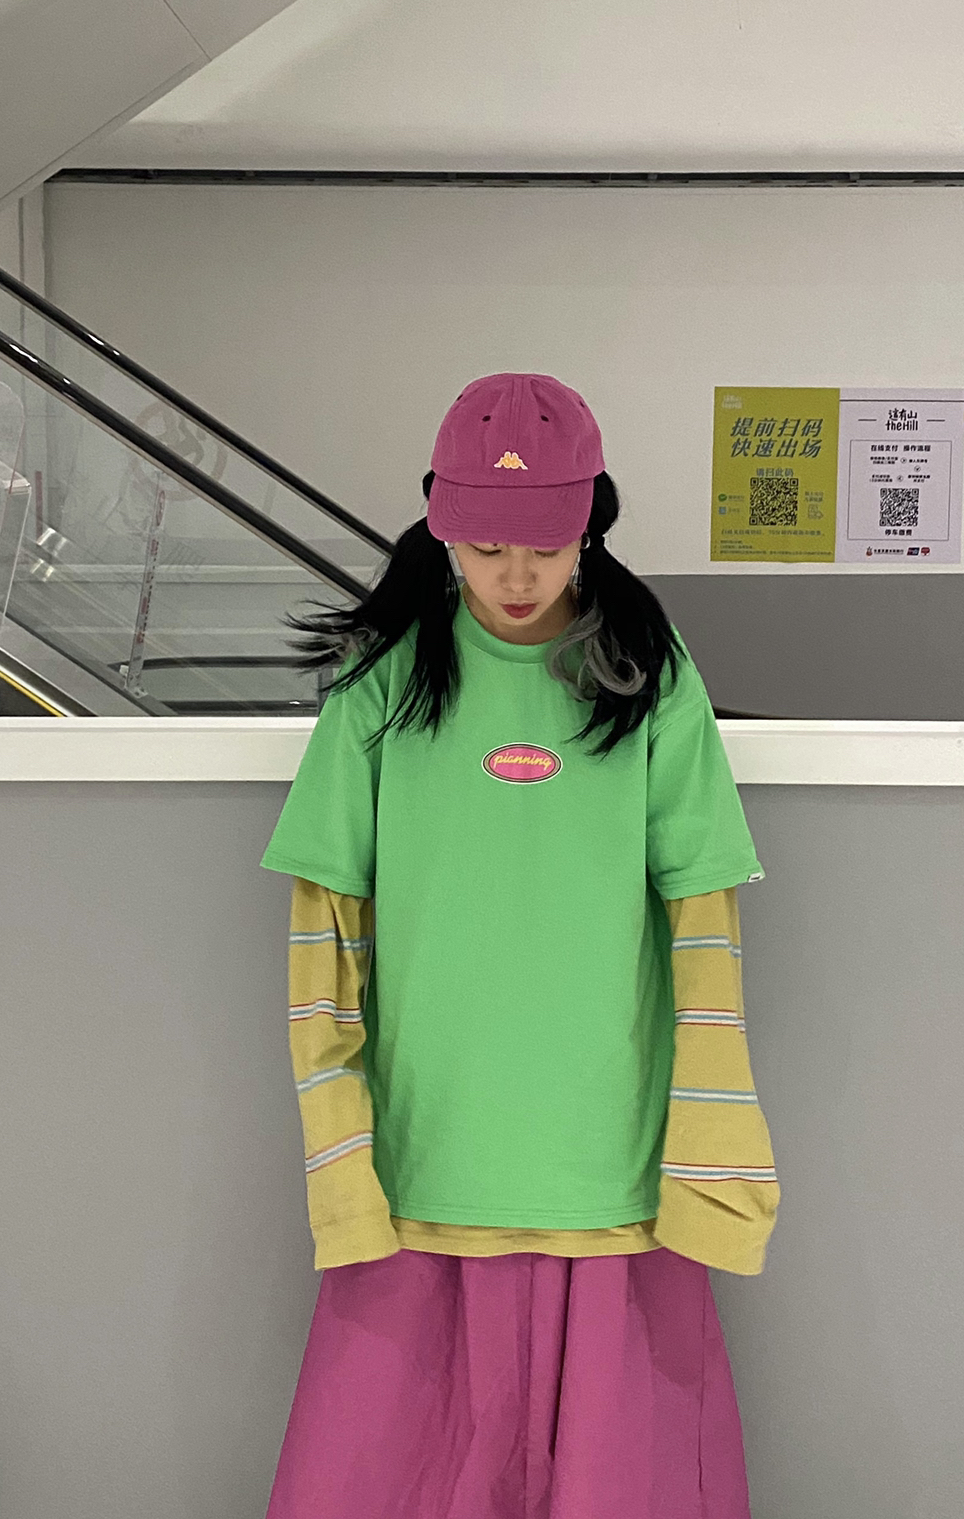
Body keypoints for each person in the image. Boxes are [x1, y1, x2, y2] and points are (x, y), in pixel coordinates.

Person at [260, 372, 779, 1518]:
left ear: (590, 522)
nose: (513, 575)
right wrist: (339, 1159)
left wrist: (712, 1145)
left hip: (612, 1176)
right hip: (420, 1172)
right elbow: (322, 936)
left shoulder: (646, 671)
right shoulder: (384, 679)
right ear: (439, 525)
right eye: (484, 546)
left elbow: (704, 918)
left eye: (543, 546)